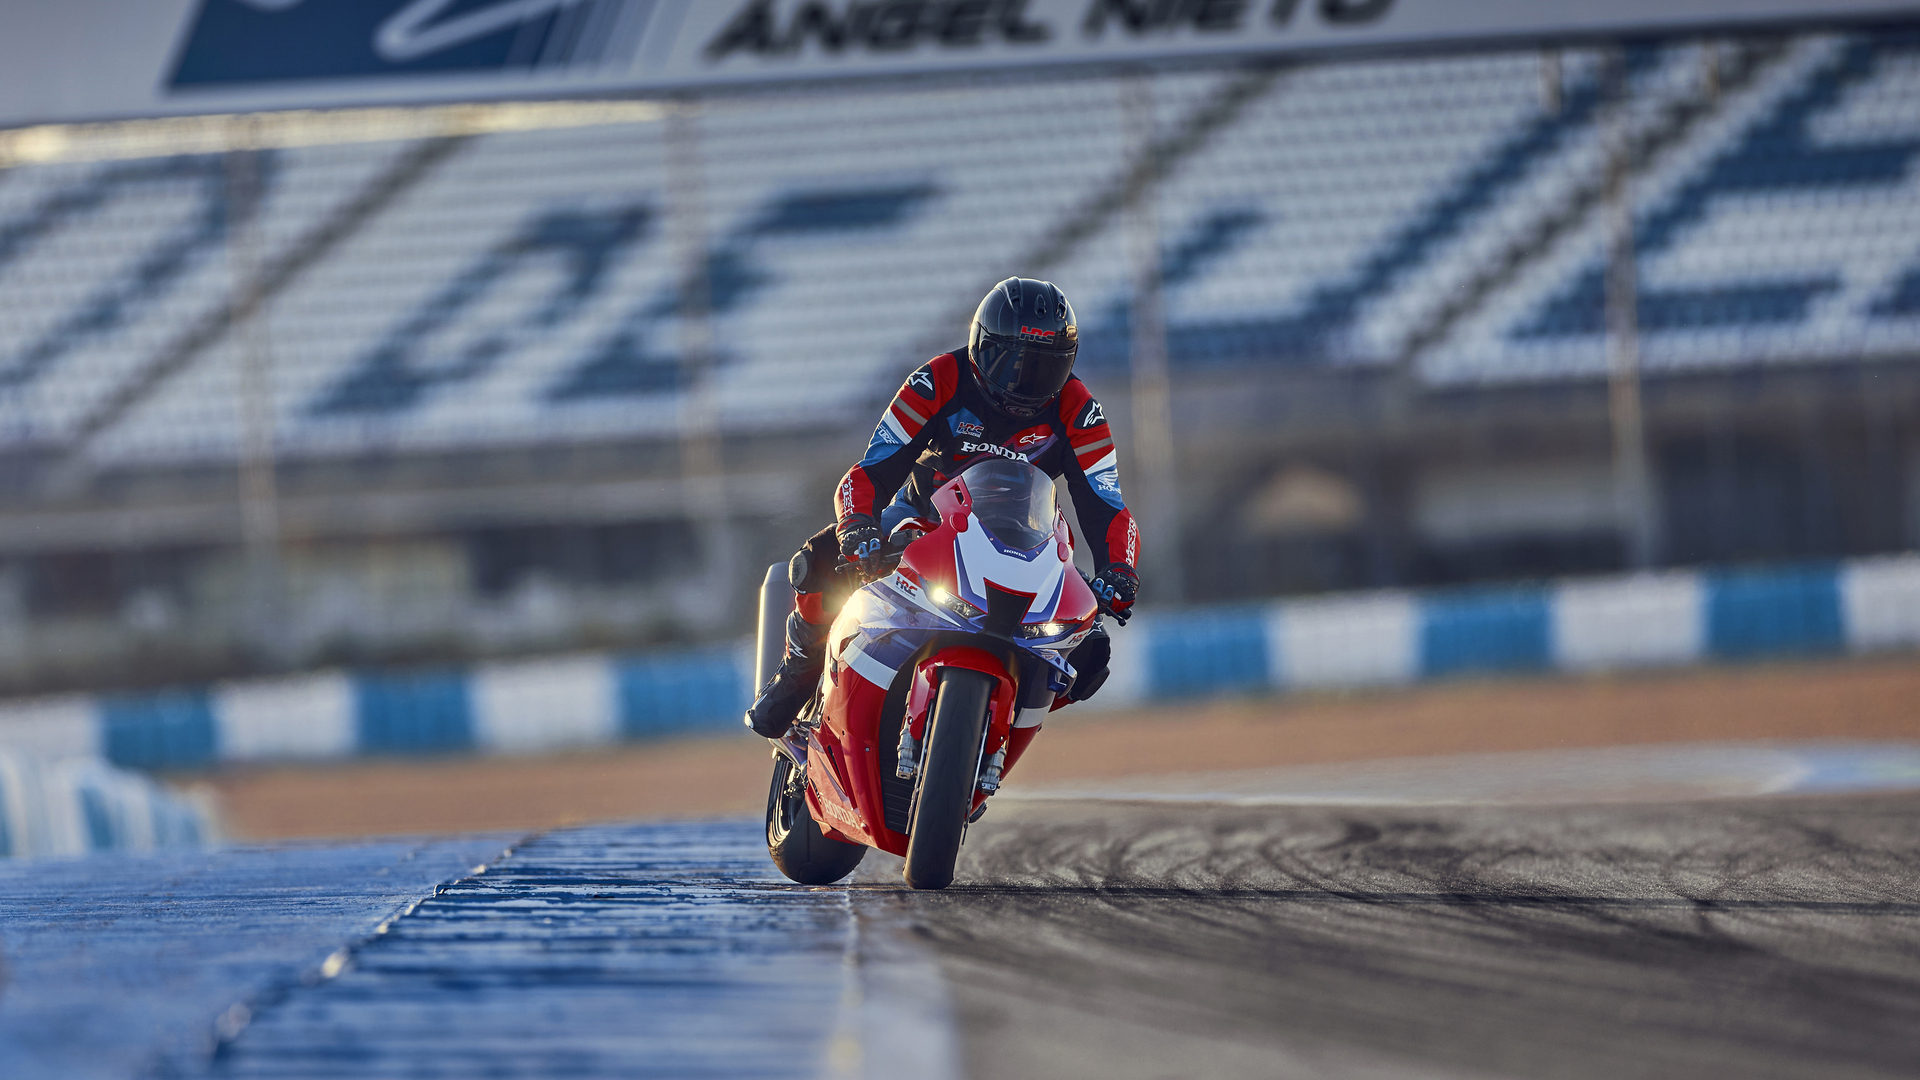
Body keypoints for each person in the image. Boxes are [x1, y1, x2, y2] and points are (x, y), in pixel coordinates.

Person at [746, 277, 1140, 739]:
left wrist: (1119, 570)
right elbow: (872, 469)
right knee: (821, 561)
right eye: (1010, 361)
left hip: (1025, 538)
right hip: (925, 520)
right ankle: (800, 669)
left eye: (1042, 368)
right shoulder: (937, 379)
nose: (1022, 381)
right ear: (979, 346)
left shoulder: (1081, 411)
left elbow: (1106, 503)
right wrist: (857, 525)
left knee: (1092, 652)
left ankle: (1000, 722)